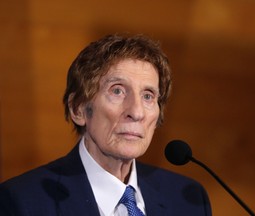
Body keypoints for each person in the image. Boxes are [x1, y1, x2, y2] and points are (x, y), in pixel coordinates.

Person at [0, 34, 212, 216]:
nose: (136, 112)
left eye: (148, 96)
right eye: (117, 91)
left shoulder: (188, 200)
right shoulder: (22, 202)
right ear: (78, 109)